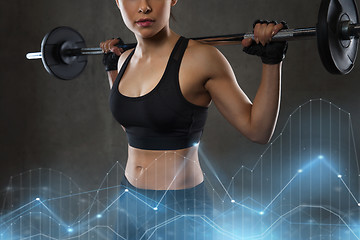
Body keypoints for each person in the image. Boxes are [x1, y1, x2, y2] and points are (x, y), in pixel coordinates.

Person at [100, 0, 287, 239]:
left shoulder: (201, 58)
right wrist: (112, 70)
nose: (144, 7)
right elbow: (134, 123)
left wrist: (271, 61)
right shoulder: (124, 59)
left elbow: (258, 130)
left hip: (179, 209)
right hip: (130, 201)